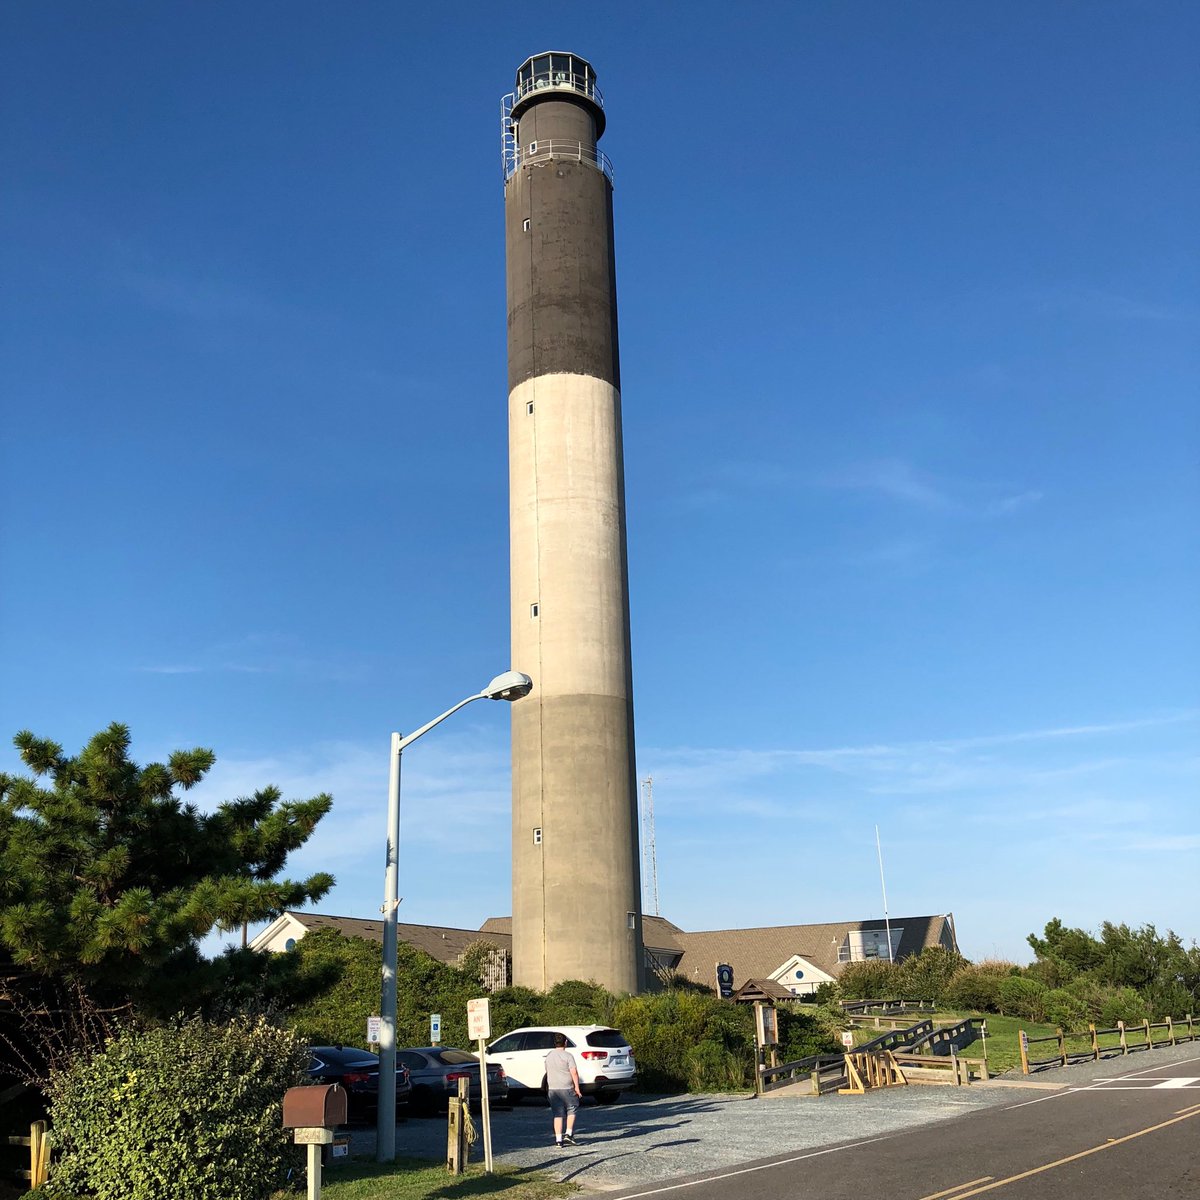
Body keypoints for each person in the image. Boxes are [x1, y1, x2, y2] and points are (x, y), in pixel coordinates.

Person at [544, 1032, 582, 1147]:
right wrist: (577, 1087)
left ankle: (558, 1140)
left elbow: (547, 1070)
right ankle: (569, 1133)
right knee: (572, 1107)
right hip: (567, 1087)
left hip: (553, 1089)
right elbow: (574, 1072)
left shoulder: (549, 1055)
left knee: (558, 1114)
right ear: (565, 1043)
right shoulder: (568, 1056)